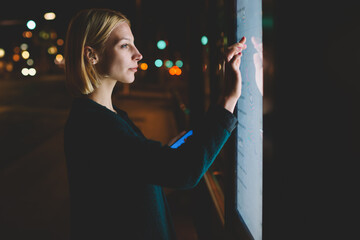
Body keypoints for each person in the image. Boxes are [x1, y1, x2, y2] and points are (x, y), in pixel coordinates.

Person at [64, 8, 246, 240]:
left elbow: (133, 170)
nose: (138, 54)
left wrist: (164, 157)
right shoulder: (95, 126)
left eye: (134, 44)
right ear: (92, 55)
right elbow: (184, 172)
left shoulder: (107, 116)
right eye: (124, 45)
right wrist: (228, 99)